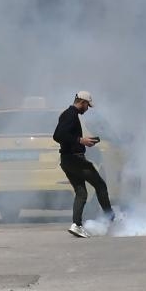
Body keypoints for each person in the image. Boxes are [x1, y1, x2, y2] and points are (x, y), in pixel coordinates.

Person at [53, 90, 115, 238]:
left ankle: (76, 225)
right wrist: (81, 141)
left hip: (67, 160)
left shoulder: (67, 114)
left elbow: (66, 135)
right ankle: (110, 218)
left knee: (81, 193)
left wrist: (84, 141)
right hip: (75, 160)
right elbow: (58, 135)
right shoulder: (71, 115)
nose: (87, 109)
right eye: (87, 106)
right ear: (82, 103)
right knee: (100, 185)